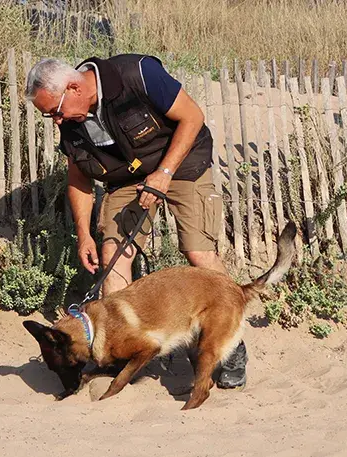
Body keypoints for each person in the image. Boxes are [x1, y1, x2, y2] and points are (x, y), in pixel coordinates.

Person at [25, 54, 248, 389]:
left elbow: (192, 117)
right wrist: (84, 235)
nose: (56, 121)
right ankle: (125, 352)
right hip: (127, 181)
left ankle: (230, 350)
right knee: (113, 257)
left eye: (55, 111)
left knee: (199, 254)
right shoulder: (73, 124)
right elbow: (79, 178)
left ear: (73, 87)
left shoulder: (137, 74)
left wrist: (164, 173)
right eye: (49, 116)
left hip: (183, 164)